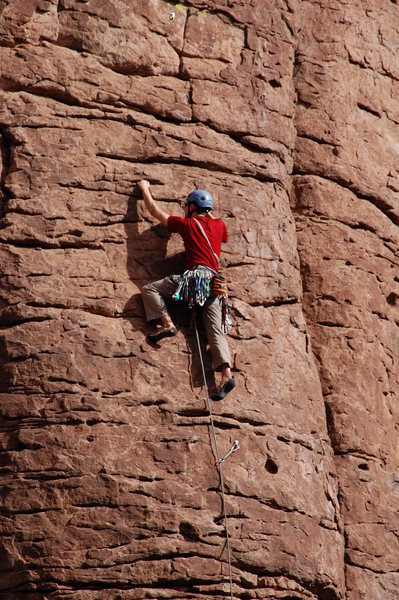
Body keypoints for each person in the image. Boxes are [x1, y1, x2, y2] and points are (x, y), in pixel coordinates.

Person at [138, 179, 236, 401]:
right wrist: (207, 211)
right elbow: (220, 230)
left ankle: (167, 324)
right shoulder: (220, 225)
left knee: (150, 289)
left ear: (192, 207)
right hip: (215, 285)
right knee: (215, 331)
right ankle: (226, 374)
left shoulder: (187, 224)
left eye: (187, 206)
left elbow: (156, 212)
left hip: (195, 281)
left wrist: (145, 189)